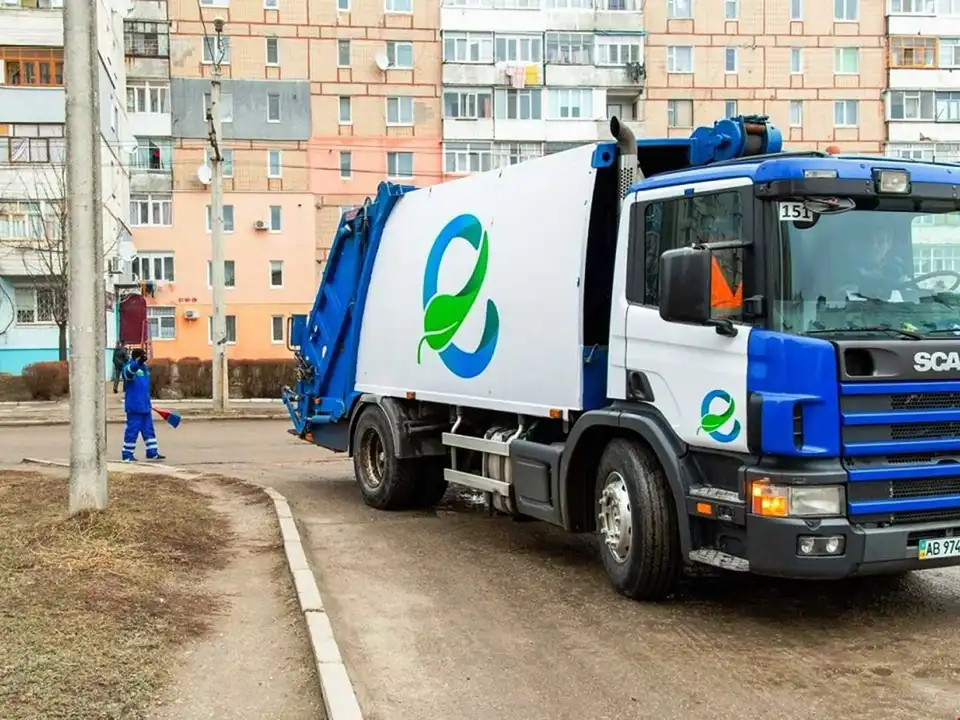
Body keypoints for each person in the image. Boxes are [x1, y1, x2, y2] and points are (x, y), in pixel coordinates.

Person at [120, 348, 166, 462]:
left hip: (145, 405)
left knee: (148, 430)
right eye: (143, 357)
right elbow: (129, 373)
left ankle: (152, 452)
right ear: (137, 357)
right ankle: (127, 454)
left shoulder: (145, 369)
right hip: (134, 406)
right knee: (132, 430)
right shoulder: (129, 366)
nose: (145, 359)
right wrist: (137, 363)